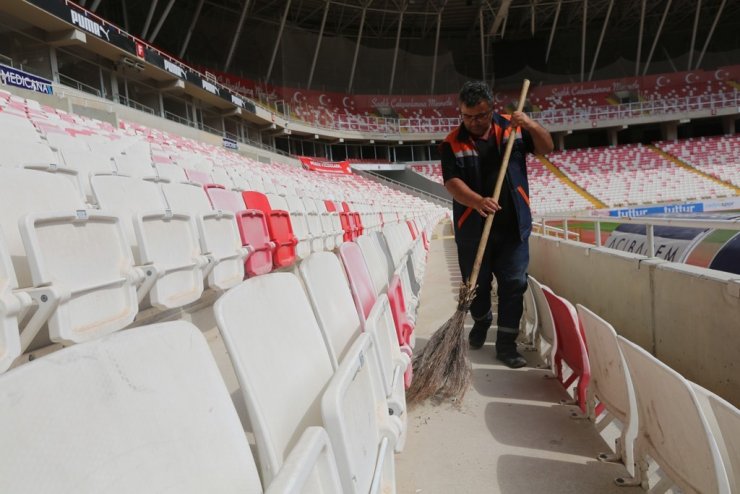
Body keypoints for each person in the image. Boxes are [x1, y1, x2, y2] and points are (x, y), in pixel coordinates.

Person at [440, 80, 553, 369]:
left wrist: (529, 124)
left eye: (479, 115)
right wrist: (477, 201)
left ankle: (506, 345)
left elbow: (546, 148)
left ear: (491, 109)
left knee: (513, 284)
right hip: (472, 230)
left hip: (513, 226)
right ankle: (481, 320)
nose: (473, 122)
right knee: (476, 285)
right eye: (466, 116)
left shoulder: (512, 130)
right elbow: (452, 183)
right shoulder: (452, 142)